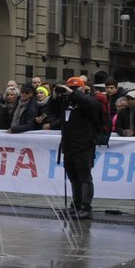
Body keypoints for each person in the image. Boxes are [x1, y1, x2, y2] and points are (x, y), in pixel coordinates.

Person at [47, 75, 105, 219]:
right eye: (69, 88)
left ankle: (86, 207)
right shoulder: (65, 102)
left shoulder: (90, 101)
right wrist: (54, 97)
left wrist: (74, 93)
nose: (70, 91)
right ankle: (76, 205)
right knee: (73, 177)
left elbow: (91, 106)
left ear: (82, 88)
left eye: (74, 88)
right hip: (69, 145)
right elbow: (50, 111)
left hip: (84, 145)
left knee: (84, 177)